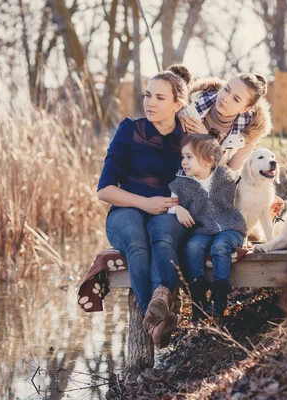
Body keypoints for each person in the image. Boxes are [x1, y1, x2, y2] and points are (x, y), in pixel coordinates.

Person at [97, 64, 192, 348]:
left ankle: (161, 299)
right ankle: (158, 319)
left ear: (178, 104)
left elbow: (209, 177)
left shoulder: (188, 138)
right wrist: (145, 203)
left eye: (160, 98)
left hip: (170, 208)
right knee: (138, 243)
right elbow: (105, 190)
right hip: (125, 209)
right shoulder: (130, 130)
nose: (150, 103)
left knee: (163, 238)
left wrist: (202, 138)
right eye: (148, 95)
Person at [168, 134, 246, 320]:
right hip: (202, 230)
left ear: (208, 160)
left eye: (189, 157)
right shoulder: (181, 183)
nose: (184, 162)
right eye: (183, 156)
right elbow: (170, 204)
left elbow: (248, 188)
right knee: (192, 247)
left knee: (220, 246)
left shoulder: (225, 176)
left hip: (231, 228)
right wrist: (178, 209)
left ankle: (219, 299)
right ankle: (198, 301)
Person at [180, 73, 273, 171]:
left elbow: (230, 179)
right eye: (226, 89)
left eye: (236, 99)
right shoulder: (190, 103)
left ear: (245, 109)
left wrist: (208, 142)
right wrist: (175, 115)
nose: (225, 98)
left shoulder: (246, 137)